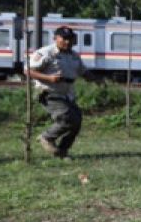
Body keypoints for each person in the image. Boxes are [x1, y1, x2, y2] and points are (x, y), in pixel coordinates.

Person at [26, 25, 98, 158]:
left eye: (70, 39)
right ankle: (47, 137)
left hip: (67, 93)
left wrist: (96, 79)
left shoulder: (74, 55)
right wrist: (49, 78)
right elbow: (28, 71)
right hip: (48, 92)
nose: (67, 42)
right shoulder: (46, 53)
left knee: (77, 121)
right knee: (67, 118)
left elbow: (83, 71)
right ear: (55, 38)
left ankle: (62, 150)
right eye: (64, 39)